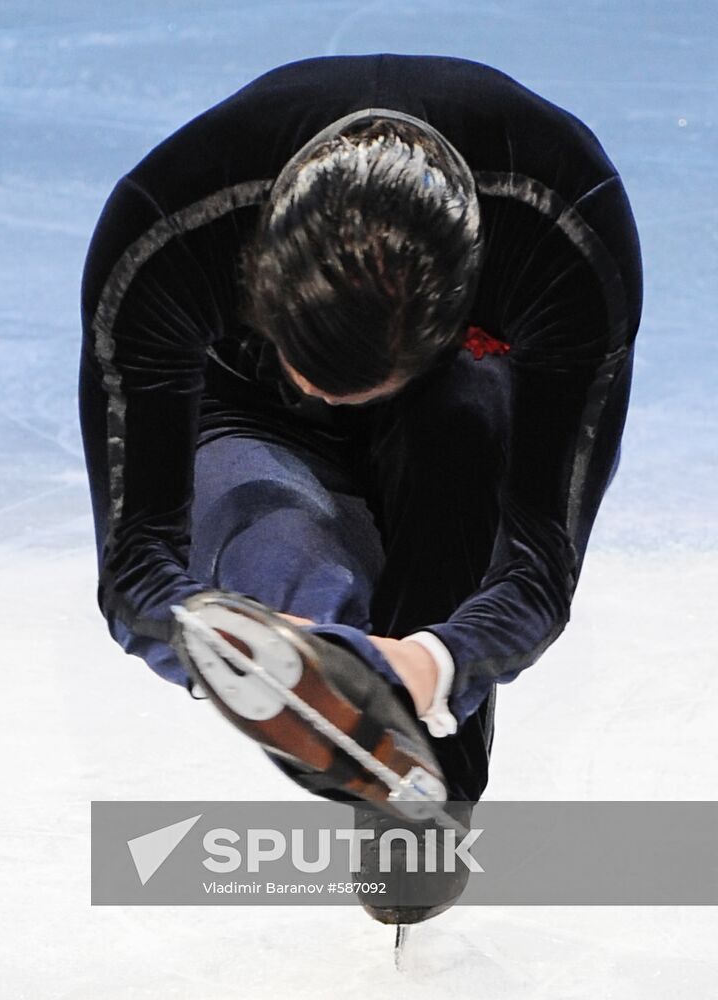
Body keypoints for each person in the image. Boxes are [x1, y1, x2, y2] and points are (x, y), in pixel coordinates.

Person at [80, 54, 642, 916]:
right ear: (256, 277)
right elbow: (137, 562)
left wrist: (433, 661)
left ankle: (402, 738)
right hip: (243, 406)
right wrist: (218, 645)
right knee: (271, 526)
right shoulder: (168, 233)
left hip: (452, 397)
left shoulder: (563, 233)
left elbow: (537, 563)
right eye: (308, 369)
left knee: (460, 430)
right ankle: (315, 650)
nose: (321, 398)